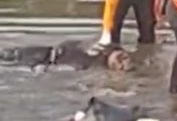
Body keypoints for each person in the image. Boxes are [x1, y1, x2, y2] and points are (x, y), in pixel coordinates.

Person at [0, 40, 133, 72]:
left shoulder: (93, 66)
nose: (122, 61)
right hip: (43, 53)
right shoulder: (95, 51)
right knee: (8, 54)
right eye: (122, 57)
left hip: (43, 61)